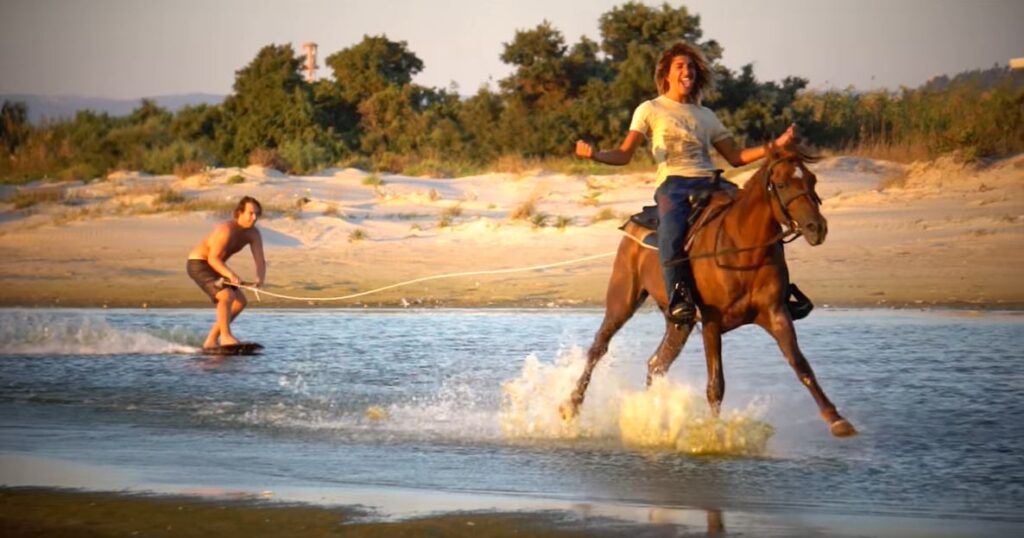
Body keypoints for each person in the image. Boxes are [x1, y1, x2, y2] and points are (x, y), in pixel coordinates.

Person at [575, 42, 796, 325]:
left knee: (760, 215)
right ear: (666, 74)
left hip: (712, 182)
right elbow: (623, 155)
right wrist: (596, 155)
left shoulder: (706, 115)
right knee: (671, 231)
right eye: (680, 66)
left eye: (690, 66)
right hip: (674, 184)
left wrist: (774, 146)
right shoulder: (650, 109)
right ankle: (679, 296)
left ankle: (782, 289)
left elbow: (737, 157)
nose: (687, 71)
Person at [186, 196, 266, 349]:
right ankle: (226, 336)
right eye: (251, 213)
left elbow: (260, 260)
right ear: (239, 213)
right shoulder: (226, 230)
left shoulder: (253, 234)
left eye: (257, 214)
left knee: (240, 302)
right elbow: (213, 258)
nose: (254, 217)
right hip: (199, 264)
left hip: (216, 265)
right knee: (227, 295)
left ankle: (210, 341)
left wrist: (259, 280)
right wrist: (230, 275)